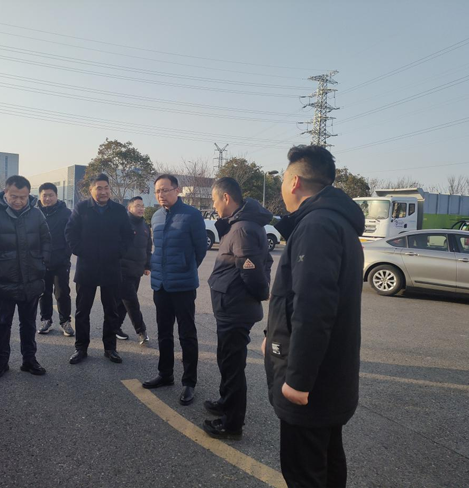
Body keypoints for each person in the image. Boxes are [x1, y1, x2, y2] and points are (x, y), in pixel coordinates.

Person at [263, 145, 365, 488]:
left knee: (305, 472)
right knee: (327, 461)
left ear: (294, 182)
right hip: (330, 377)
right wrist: (271, 334)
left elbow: (313, 308)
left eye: (283, 179)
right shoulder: (336, 223)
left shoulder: (317, 226)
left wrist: (298, 380)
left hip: (312, 383)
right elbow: (297, 299)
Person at [203, 177, 273, 440]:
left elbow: (251, 270)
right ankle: (226, 402)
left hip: (236, 309)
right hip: (231, 307)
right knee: (226, 359)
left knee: (232, 366)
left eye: (214, 200)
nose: (213, 205)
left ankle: (232, 424)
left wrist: (260, 294)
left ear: (226, 198)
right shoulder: (239, 225)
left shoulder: (242, 228)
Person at [0, 175, 51, 380]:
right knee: (3, 323)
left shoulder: (36, 214)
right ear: (5, 193)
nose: (18, 201)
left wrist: (42, 264)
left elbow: (46, 240)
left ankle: (29, 360)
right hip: (5, 280)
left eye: (23, 197)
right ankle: (2, 362)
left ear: (28, 195)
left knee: (29, 324)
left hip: (31, 280)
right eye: (14, 196)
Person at [142, 174, 207, 406]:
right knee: (164, 332)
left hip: (183, 285)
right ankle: (165, 374)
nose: (161, 195)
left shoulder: (191, 215)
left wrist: (185, 267)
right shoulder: (156, 216)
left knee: (187, 334)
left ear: (177, 190)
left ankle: (189, 382)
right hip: (160, 284)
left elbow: (200, 249)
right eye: (158, 191)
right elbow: (157, 248)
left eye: (165, 190)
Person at [65, 173, 133, 365]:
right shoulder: (81, 208)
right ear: (91, 190)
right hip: (87, 267)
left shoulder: (119, 210)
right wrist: (81, 251)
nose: (103, 192)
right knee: (82, 311)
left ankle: (110, 348)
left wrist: (119, 252)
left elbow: (128, 235)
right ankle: (81, 348)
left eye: (106, 188)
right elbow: (70, 232)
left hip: (111, 267)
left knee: (111, 311)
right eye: (99, 188)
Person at [36, 183, 74, 337]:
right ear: (40, 196)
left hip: (61, 261)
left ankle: (65, 321)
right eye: (44, 195)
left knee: (62, 292)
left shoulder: (66, 213)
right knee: (43, 292)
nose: (47, 198)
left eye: (51, 195)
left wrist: (66, 255)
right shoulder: (34, 213)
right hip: (40, 261)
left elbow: (71, 235)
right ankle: (46, 320)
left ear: (56, 196)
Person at [115, 196, 151, 345]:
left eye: (142, 206)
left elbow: (147, 247)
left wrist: (147, 266)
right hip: (122, 270)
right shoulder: (123, 223)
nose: (141, 208)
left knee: (124, 301)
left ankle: (114, 327)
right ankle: (141, 331)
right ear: (129, 208)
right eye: (137, 206)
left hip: (137, 270)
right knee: (131, 302)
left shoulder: (145, 226)